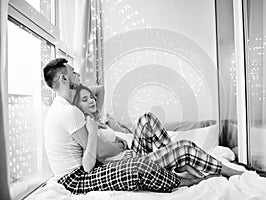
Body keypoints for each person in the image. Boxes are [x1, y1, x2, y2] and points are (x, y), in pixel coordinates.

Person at [43, 58, 244, 195]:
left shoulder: (71, 105)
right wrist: (120, 149)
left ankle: (176, 160)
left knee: (146, 119)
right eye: (73, 73)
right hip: (78, 178)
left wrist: (81, 94)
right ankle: (219, 171)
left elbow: (99, 90)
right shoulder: (70, 112)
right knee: (182, 147)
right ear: (64, 78)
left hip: (111, 157)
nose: (78, 76)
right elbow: (91, 161)